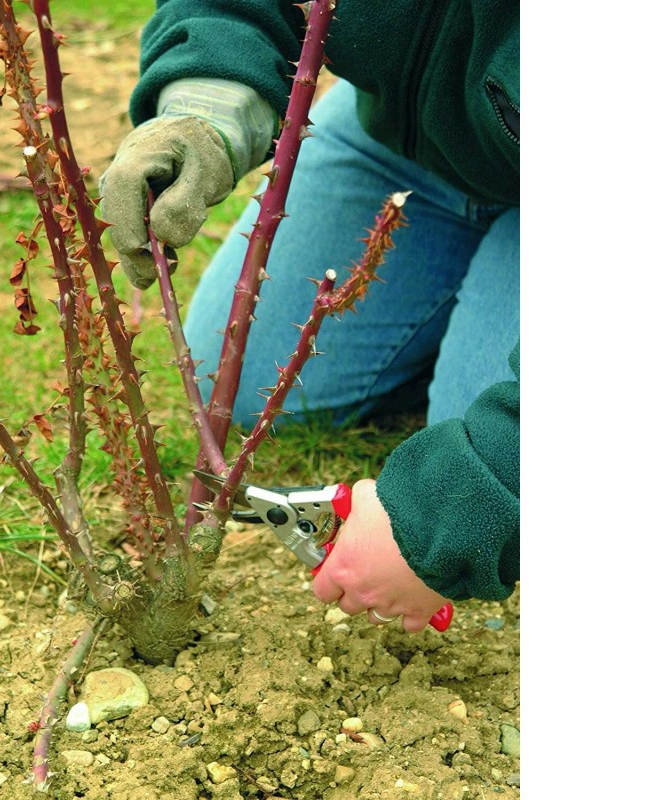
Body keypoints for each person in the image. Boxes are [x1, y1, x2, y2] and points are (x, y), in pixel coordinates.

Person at [99, 1, 520, 633]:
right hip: (402, 144)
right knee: (238, 377)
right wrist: (206, 109)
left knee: (489, 453)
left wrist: (454, 500)